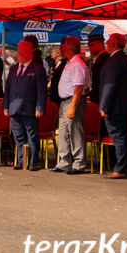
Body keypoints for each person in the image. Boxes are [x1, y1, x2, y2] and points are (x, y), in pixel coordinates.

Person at [4, 40, 47, 171]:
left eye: (23, 52)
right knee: (18, 136)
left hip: (30, 108)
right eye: (19, 52)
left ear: (29, 54)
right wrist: (6, 106)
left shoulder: (38, 69)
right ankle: (21, 160)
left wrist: (40, 107)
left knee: (32, 136)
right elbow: (8, 90)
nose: (20, 55)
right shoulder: (13, 69)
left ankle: (33, 161)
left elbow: (41, 90)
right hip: (14, 108)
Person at [98, 33, 127, 179]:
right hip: (122, 104)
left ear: (113, 43)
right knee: (121, 136)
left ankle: (121, 168)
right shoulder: (124, 59)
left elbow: (110, 85)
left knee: (118, 137)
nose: (106, 43)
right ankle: (124, 167)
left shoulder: (114, 60)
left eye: (108, 41)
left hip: (115, 106)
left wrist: (104, 105)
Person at [51, 35, 89, 175]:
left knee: (74, 131)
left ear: (69, 48)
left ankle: (79, 162)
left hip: (72, 101)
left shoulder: (77, 64)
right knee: (63, 132)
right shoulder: (69, 63)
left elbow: (78, 87)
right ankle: (64, 161)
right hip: (65, 101)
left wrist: (73, 105)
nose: (60, 48)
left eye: (63, 46)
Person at [87, 34, 108, 104]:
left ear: (100, 44)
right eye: (89, 45)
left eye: (92, 45)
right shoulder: (101, 58)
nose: (89, 48)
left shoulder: (104, 59)